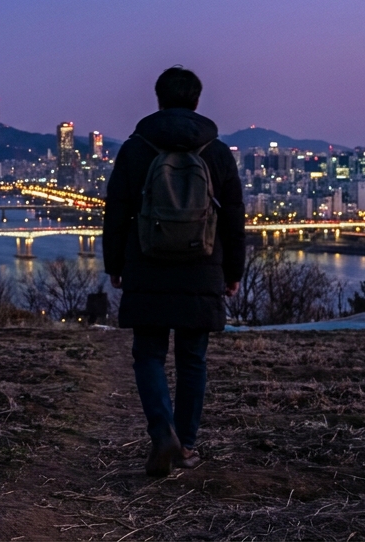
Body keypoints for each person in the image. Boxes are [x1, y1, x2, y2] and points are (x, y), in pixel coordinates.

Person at [102, 66, 245, 477]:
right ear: (197, 101)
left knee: (148, 354)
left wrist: (115, 264)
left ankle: (162, 431)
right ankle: (185, 445)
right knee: (192, 359)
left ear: (159, 99)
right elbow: (233, 218)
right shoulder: (217, 152)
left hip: (147, 266)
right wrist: (233, 271)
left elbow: (117, 212)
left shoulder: (135, 149)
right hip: (202, 269)